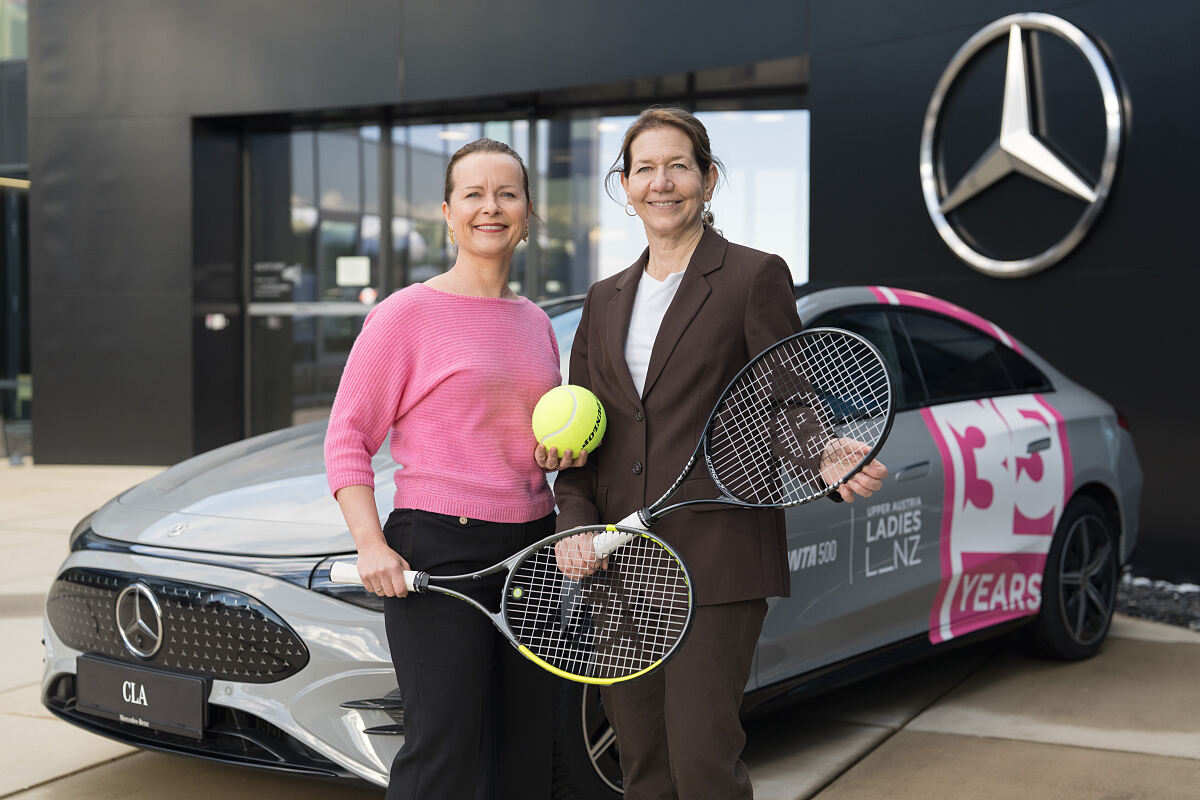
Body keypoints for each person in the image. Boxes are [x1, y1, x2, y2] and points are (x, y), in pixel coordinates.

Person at [545, 108, 888, 799]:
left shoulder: (752, 276)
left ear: (708, 179)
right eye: (645, 168)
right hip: (620, 562)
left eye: (678, 166)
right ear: (625, 185)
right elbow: (583, 439)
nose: (661, 182)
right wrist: (574, 525)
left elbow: (786, 397)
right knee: (641, 765)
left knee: (703, 764)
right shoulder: (604, 299)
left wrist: (820, 453)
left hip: (716, 558)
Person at [324, 137, 581, 800]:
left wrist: (556, 457)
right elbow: (347, 437)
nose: (490, 207)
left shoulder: (535, 324)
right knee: (445, 750)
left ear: (527, 213)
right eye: (473, 194)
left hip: (531, 548)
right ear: (447, 213)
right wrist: (370, 543)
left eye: (507, 194)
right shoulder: (404, 314)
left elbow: (519, 440)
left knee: (527, 748)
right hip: (438, 550)